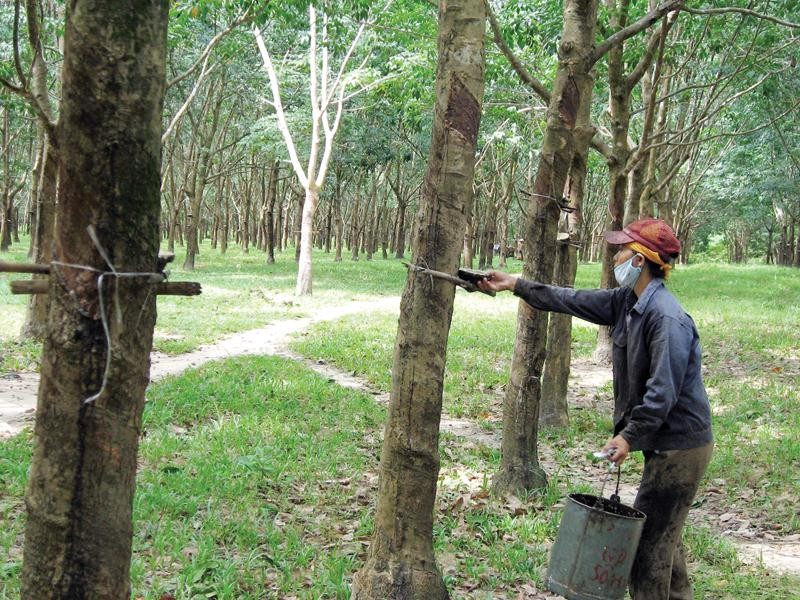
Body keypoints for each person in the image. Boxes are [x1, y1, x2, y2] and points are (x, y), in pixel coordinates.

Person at [478, 218, 713, 600]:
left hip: (681, 447)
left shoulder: (667, 318)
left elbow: (662, 393)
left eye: (623, 250)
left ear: (640, 260)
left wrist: (627, 436)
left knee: (650, 552)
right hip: (664, 440)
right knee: (664, 536)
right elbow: (570, 299)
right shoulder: (627, 302)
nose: (615, 255)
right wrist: (515, 284)